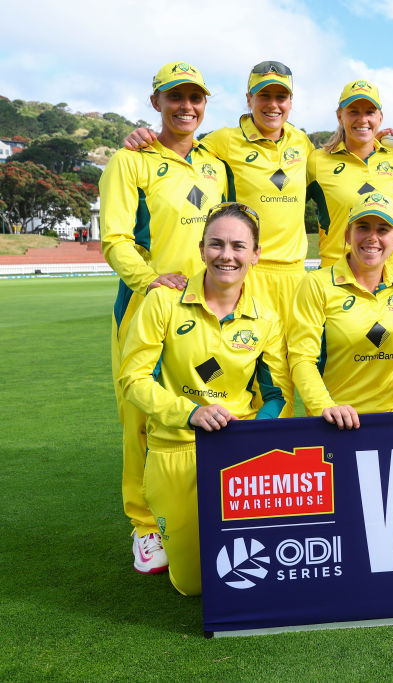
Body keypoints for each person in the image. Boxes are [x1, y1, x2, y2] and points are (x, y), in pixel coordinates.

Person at [119, 203, 288, 595]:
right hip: (176, 449)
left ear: (255, 254)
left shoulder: (266, 318)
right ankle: (159, 534)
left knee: (256, 573)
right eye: (216, 244)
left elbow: (278, 395)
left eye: (238, 246)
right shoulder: (162, 302)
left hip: (239, 453)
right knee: (194, 585)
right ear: (201, 249)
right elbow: (134, 379)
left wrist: (251, 439)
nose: (226, 255)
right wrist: (190, 412)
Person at [125, 61, 313, 415]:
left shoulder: (302, 142)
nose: (273, 104)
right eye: (264, 96)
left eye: (281, 96)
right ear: (249, 98)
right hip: (251, 272)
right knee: (244, 373)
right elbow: (180, 143)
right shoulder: (221, 142)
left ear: (290, 101)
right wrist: (142, 137)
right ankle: (228, 449)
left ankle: (280, 460)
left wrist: (382, 138)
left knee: (291, 372)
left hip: (295, 277)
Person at [99, 61, 227, 574]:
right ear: (157, 102)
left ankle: (198, 507)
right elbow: (115, 236)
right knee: (141, 416)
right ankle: (145, 528)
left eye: (195, 98)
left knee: (204, 399)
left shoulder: (215, 163)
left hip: (207, 305)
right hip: (147, 303)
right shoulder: (130, 161)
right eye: (176, 98)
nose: (186, 107)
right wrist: (150, 280)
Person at [289, 192, 393, 426]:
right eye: (363, 227)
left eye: (383, 230)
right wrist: (326, 406)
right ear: (347, 235)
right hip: (337, 423)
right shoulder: (316, 284)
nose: (372, 237)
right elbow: (302, 359)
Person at [307, 79, 393, 269]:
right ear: (340, 116)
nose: (362, 119)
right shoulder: (317, 161)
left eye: (369, 112)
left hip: (391, 277)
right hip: (336, 275)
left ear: (380, 117)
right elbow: (288, 210)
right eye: (354, 111)